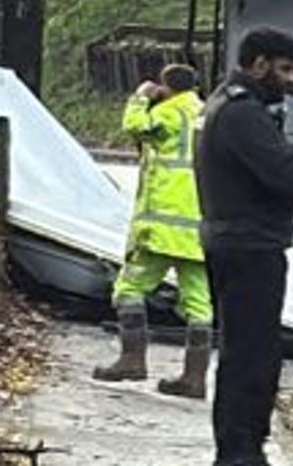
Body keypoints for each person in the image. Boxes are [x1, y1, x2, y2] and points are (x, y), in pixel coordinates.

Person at [196, 29, 293, 466]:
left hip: (238, 240)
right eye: (285, 68)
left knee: (248, 351)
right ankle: (240, 451)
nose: (292, 79)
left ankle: (241, 446)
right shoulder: (243, 114)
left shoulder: (231, 106)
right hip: (249, 245)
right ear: (258, 65)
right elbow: (288, 178)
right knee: (252, 356)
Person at [94, 64, 213, 399]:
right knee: (200, 303)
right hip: (199, 227)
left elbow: (135, 126)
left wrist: (139, 98)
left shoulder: (170, 112)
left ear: (166, 86)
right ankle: (194, 378)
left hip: (163, 224)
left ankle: (132, 360)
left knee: (129, 288)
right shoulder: (206, 114)